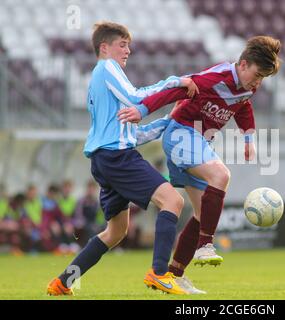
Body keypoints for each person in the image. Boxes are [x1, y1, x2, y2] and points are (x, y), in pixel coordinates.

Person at [118, 36, 282, 294]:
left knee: (200, 213)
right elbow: (177, 89)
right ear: (243, 64)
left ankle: (173, 275)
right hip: (182, 133)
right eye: (257, 74)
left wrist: (248, 138)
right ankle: (206, 245)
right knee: (221, 175)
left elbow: (242, 106)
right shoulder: (216, 77)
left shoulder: (249, 86)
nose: (258, 81)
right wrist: (141, 110)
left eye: (263, 78)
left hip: (198, 140)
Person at [46, 21, 200, 296]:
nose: (128, 50)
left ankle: (62, 282)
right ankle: (160, 274)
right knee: (173, 200)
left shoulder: (102, 79)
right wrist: (176, 81)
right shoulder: (107, 68)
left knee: (115, 232)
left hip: (105, 160)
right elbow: (135, 97)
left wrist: (167, 121)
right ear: (104, 48)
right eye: (122, 44)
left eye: (128, 45)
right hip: (117, 158)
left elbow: (133, 135)